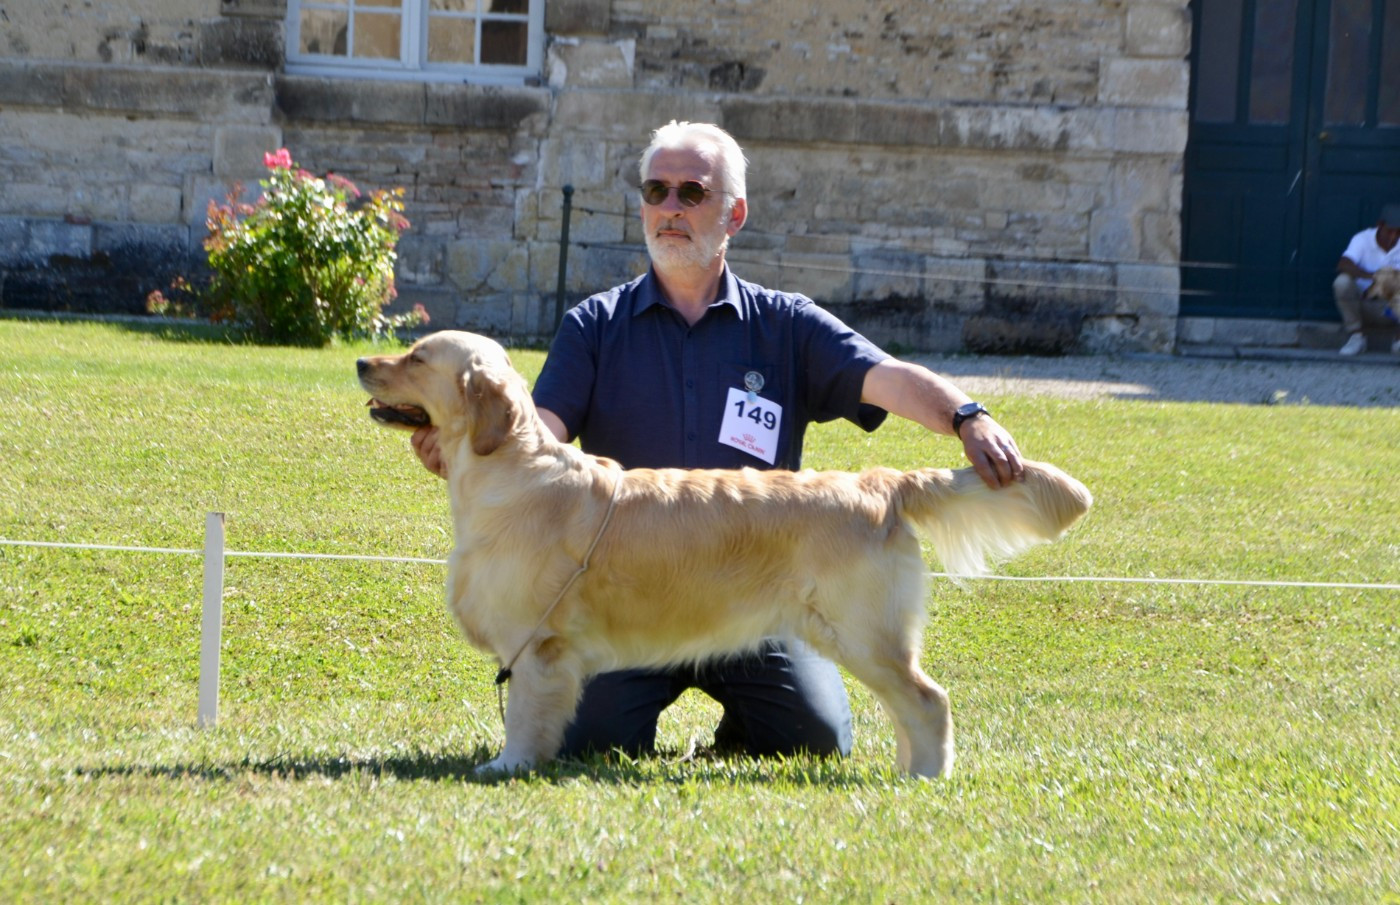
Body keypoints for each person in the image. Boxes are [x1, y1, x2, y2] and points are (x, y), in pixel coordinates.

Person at [411, 121, 1025, 763]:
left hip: (761, 594)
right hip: (628, 606)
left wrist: (965, 416)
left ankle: (744, 733)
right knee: (583, 743)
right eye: (656, 191)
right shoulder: (592, 326)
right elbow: (540, 441)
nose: (670, 209)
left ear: (733, 213)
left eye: (690, 193)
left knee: (813, 742)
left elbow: (889, 380)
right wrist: (465, 441)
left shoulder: (787, 323)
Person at [1333, 203, 1400, 356]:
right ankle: (1357, 337)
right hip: (1362, 305)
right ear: (1380, 225)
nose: (1393, 236)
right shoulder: (1363, 239)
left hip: (1393, 309)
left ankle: (1399, 341)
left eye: (1398, 232)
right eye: (1390, 231)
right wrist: (1374, 277)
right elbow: (1343, 264)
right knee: (1342, 282)